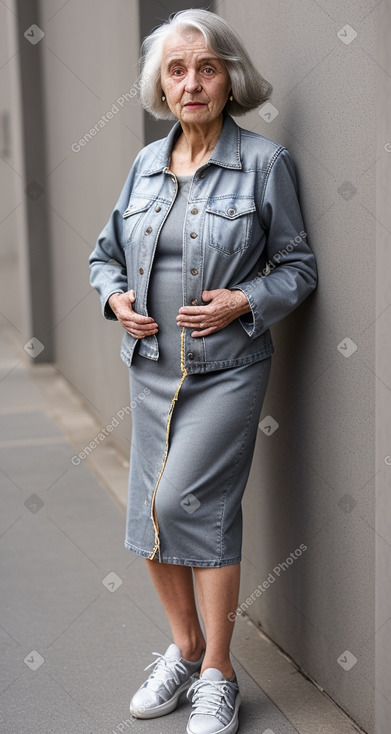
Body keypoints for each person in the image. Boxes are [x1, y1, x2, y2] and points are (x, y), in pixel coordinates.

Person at [89, 8, 317, 734]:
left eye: (207, 67)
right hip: (150, 367)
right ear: (161, 83)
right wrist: (114, 297)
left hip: (227, 368)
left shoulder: (264, 164)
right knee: (150, 510)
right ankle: (185, 648)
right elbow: (104, 257)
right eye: (177, 69)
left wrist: (242, 300)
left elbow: (297, 267)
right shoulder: (145, 165)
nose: (191, 82)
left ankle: (218, 672)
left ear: (230, 79)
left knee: (193, 502)